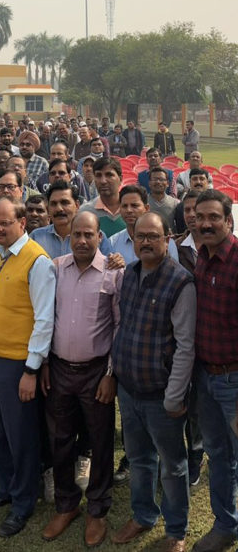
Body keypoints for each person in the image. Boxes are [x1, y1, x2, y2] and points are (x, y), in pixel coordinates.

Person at [110, 213, 194, 552]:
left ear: (167, 239)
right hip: (129, 391)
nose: (145, 242)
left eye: (153, 236)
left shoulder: (181, 282)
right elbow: (122, 326)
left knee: (172, 467)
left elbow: (186, 345)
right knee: (139, 459)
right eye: (140, 236)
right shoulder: (129, 275)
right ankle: (143, 515)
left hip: (162, 397)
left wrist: (174, 396)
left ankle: (176, 530)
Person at [0, 198, 55, 538]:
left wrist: (31, 370)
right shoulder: (1, 254)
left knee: (21, 436)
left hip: (17, 364)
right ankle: (6, 488)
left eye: (5, 223)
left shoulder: (37, 261)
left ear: (22, 223)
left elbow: (44, 321)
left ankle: (23, 502)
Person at [39, 211, 121, 547]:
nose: (83, 240)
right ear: (69, 236)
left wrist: (111, 374)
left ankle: (97, 510)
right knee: (60, 439)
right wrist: (44, 362)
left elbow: (119, 326)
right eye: (77, 235)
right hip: (59, 369)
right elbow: (45, 315)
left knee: (100, 442)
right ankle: (66, 504)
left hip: (96, 372)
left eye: (89, 234)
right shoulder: (56, 268)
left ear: (100, 237)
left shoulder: (114, 273)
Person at [190, 190, 238, 552]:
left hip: (235, 382)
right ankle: (225, 525)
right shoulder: (202, 258)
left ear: (229, 221)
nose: (205, 224)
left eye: (214, 218)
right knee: (218, 455)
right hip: (206, 379)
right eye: (200, 217)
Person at [107, 185, 180, 265]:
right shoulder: (113, 242)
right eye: (124, 206)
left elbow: (174, 270)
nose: (129, 210)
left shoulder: (165, 242)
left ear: (147, 208)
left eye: (134, 205)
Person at [79, 157, 126, 237]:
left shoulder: (132, 209)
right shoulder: (85, 212)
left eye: (109, 175)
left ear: (120, 178)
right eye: (98, 175)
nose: (103, 181)